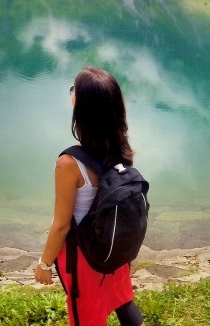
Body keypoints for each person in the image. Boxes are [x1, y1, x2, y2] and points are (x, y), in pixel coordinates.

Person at [34, 66, 144, 326]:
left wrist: (44, 263)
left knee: (86, 318)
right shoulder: (121, 147)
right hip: (114, 247)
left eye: (74, 91)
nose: (71, 95)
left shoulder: (69, 164)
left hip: (85, 261)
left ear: (82, 108)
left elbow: (61, 225)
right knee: (123, 301)